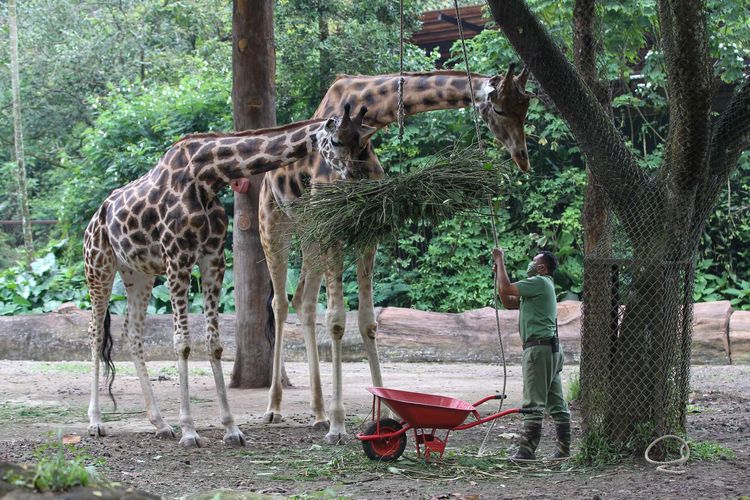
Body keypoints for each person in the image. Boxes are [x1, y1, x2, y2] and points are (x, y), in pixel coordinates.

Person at [492, 247, 571, 460]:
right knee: (556, 402)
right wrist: (499, 270)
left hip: (538, 350)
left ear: (542, 267)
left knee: (533, 402)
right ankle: (564, 450)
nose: (530, 264)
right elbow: (508, 300)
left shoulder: (538, 282)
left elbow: (507, 287)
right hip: (551, 350)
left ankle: (527, 451)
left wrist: (500, 261)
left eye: (533, 261)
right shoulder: (542, 287)